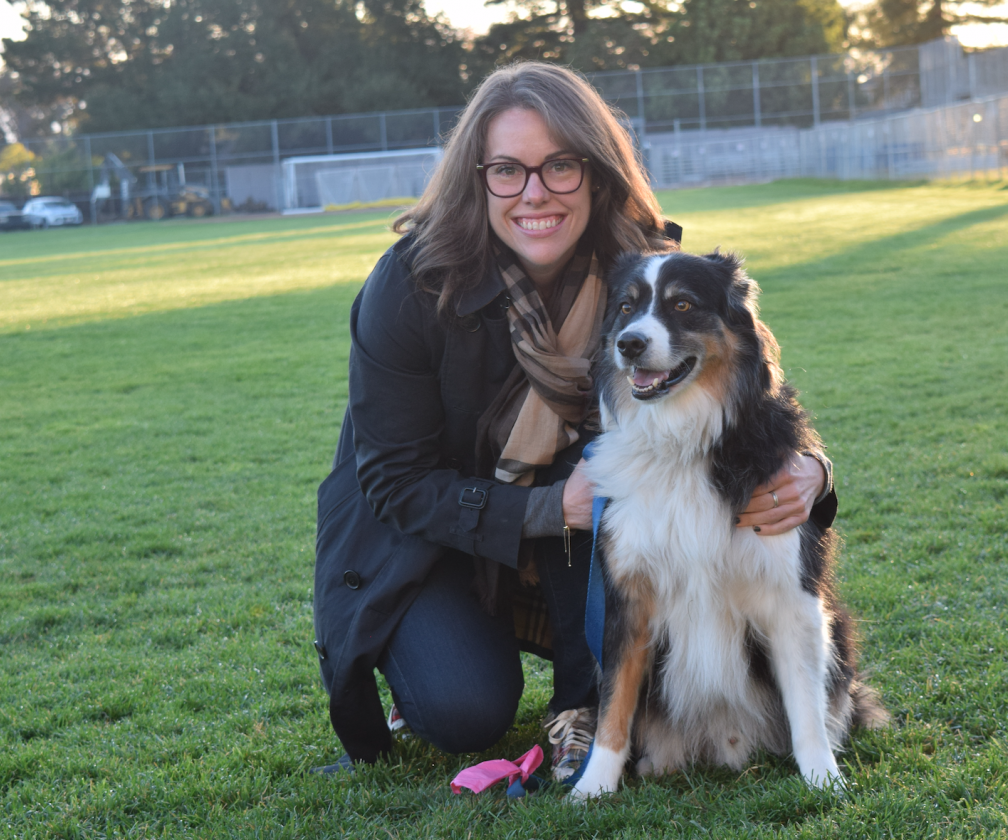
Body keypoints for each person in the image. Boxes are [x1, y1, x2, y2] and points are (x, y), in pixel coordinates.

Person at [311, 61, 835, 778]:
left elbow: (750, 388)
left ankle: (579, 704)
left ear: (595, 172)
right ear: (477, 178)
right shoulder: (409, 285)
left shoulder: (641, 268)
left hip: (578, 537)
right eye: (506, 170)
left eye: (558, 166)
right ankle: (436, 656)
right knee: (463, 712)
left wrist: (813, 470)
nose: (533, 194)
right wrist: (545, 507)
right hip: (433, 542)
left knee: (601, 532)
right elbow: (394, 482)